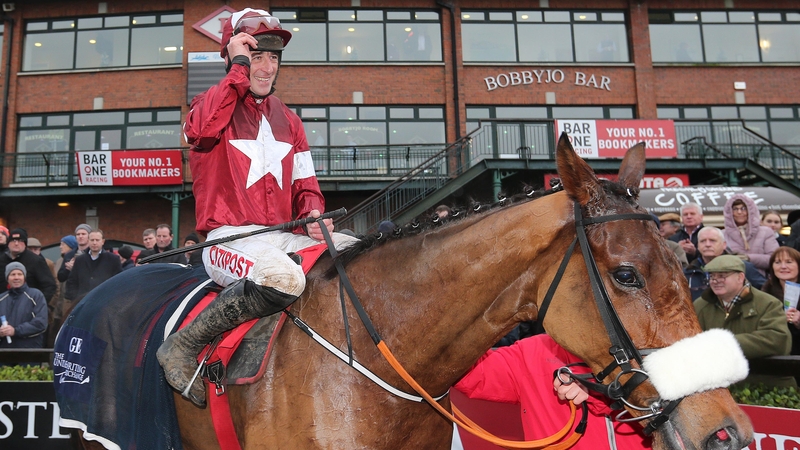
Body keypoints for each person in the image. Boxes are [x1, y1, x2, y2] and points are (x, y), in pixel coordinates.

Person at [160, 7, 358, 408]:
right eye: (256, 55)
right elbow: (199, 133)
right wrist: (237, 66)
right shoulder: (208, 104)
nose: (266, 68)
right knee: (282, 277)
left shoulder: (291, 121)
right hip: (225, 239)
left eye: (273, 57)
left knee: (358, 251)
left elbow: (306, 185)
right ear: (234, 55)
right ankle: (182, 345)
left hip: (284, 236)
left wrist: (314, 216)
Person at [453, 334, 651, 449]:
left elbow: (666, 412)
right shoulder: (532, 352)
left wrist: (599, 394)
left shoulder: (648, 347)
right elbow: (468, 373)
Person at [694, 255, 794, 387]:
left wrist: (724, 343)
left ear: (740, 277)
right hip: (717, 389)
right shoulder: (700, 305)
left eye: (722, 276)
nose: (715, 281)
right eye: (712, 276)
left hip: (766, 387)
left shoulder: (768, 303)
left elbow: (777, 340)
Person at [683, 227, 765, 300]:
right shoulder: (687, 273)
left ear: (724, 245)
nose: (707, 244)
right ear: (698, 246)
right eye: (703, 241)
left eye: (712, 240)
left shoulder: (743, 267)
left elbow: (764, 291)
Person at [65, 229, 122, 309]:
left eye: (97, 240)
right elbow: (72, 281)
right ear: (88, 241)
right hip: (82, 303)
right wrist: (75, 298)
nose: (94, 243)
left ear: (102, 241)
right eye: (92, 240)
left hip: (105, 304)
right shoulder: (80, 260)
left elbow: (118, 282)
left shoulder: (113, 259)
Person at [759, 246, 800, 356]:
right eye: (777, 262)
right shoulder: (765, 292)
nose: (783, 266)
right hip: (775, 350)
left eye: (789, 262)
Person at [722, 194, 778, 274]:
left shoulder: (766, 232)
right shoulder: (722, 234)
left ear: (751, 210)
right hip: (731, 281)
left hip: (760, 282)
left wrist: (749, 258)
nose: (739, 212)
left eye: (743, 208)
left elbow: (775, 259)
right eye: (735, 209)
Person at [0, 228, 57, 303]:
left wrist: (38, 304)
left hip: (28, 307)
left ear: (25, 244)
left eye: (20, 241)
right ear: (8, 243)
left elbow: (49, 285)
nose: (16, 243)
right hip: (4, 306)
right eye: (13, 240)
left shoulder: (35, 260)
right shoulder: (2, 260)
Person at [0, 262, 48, 349]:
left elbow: (41, 323)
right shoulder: (2, 298)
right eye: (12, 274)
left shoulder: (36, 295)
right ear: (7, 278)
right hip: (5, 351)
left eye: (20, 274)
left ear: (24, 277)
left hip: (29, 350)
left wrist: (15, 331)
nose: (16, 277)